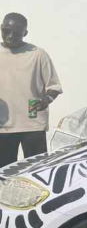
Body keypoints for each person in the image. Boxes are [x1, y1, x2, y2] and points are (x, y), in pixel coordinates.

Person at [0, 12, 63, 168]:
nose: (10, 36)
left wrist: (47, 99)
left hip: (33, 125)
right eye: (6, 31)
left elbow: (54, 86)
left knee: (37, 172)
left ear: (25, 33)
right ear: (1, 28)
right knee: (4, 174)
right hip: (3, 126)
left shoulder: (38, 54)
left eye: (16, 33)